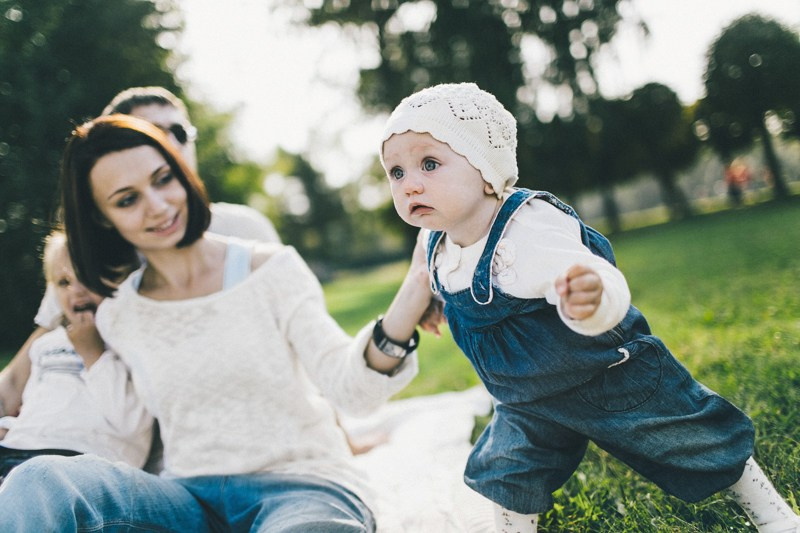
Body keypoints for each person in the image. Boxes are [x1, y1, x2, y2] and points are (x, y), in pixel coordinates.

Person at [379, 82, 800, 533]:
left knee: (691, 438)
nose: (410, 184)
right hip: (526, 402)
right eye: (396, 172)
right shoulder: (433, 242)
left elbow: (600, 275)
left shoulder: (528, 227)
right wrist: (435, 300)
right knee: (507, 472)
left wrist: (593, 298)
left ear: (486, 170)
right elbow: (441, 274)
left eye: (429, 164)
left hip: (606, 376)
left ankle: (770, 513)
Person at [0, 113, 435, 532]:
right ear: (100, 217)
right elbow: (115, 415)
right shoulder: (117, 312)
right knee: (39, 481)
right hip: (187, 502)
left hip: (302, 487)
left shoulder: (271, 270)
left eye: (162, 179)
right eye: (128, 200)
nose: (158, 207)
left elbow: (350, 389)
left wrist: (412, 294)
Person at [0, 86, 280, 423]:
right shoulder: (89, 254)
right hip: (122, 430)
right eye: (150, 135)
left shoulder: (246, 229)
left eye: (179, 132)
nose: (170, 144)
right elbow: (38, 348)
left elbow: (297, 340)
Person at [0, 231, 152, 482]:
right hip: (17, 449)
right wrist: (11, 427)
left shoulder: (129, 342)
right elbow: (41, 407)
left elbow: (132, 424)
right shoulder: (46, 344)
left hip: (79, 458)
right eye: (64, 282)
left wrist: (93, 354)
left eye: (87, 278)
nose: (77, 291)